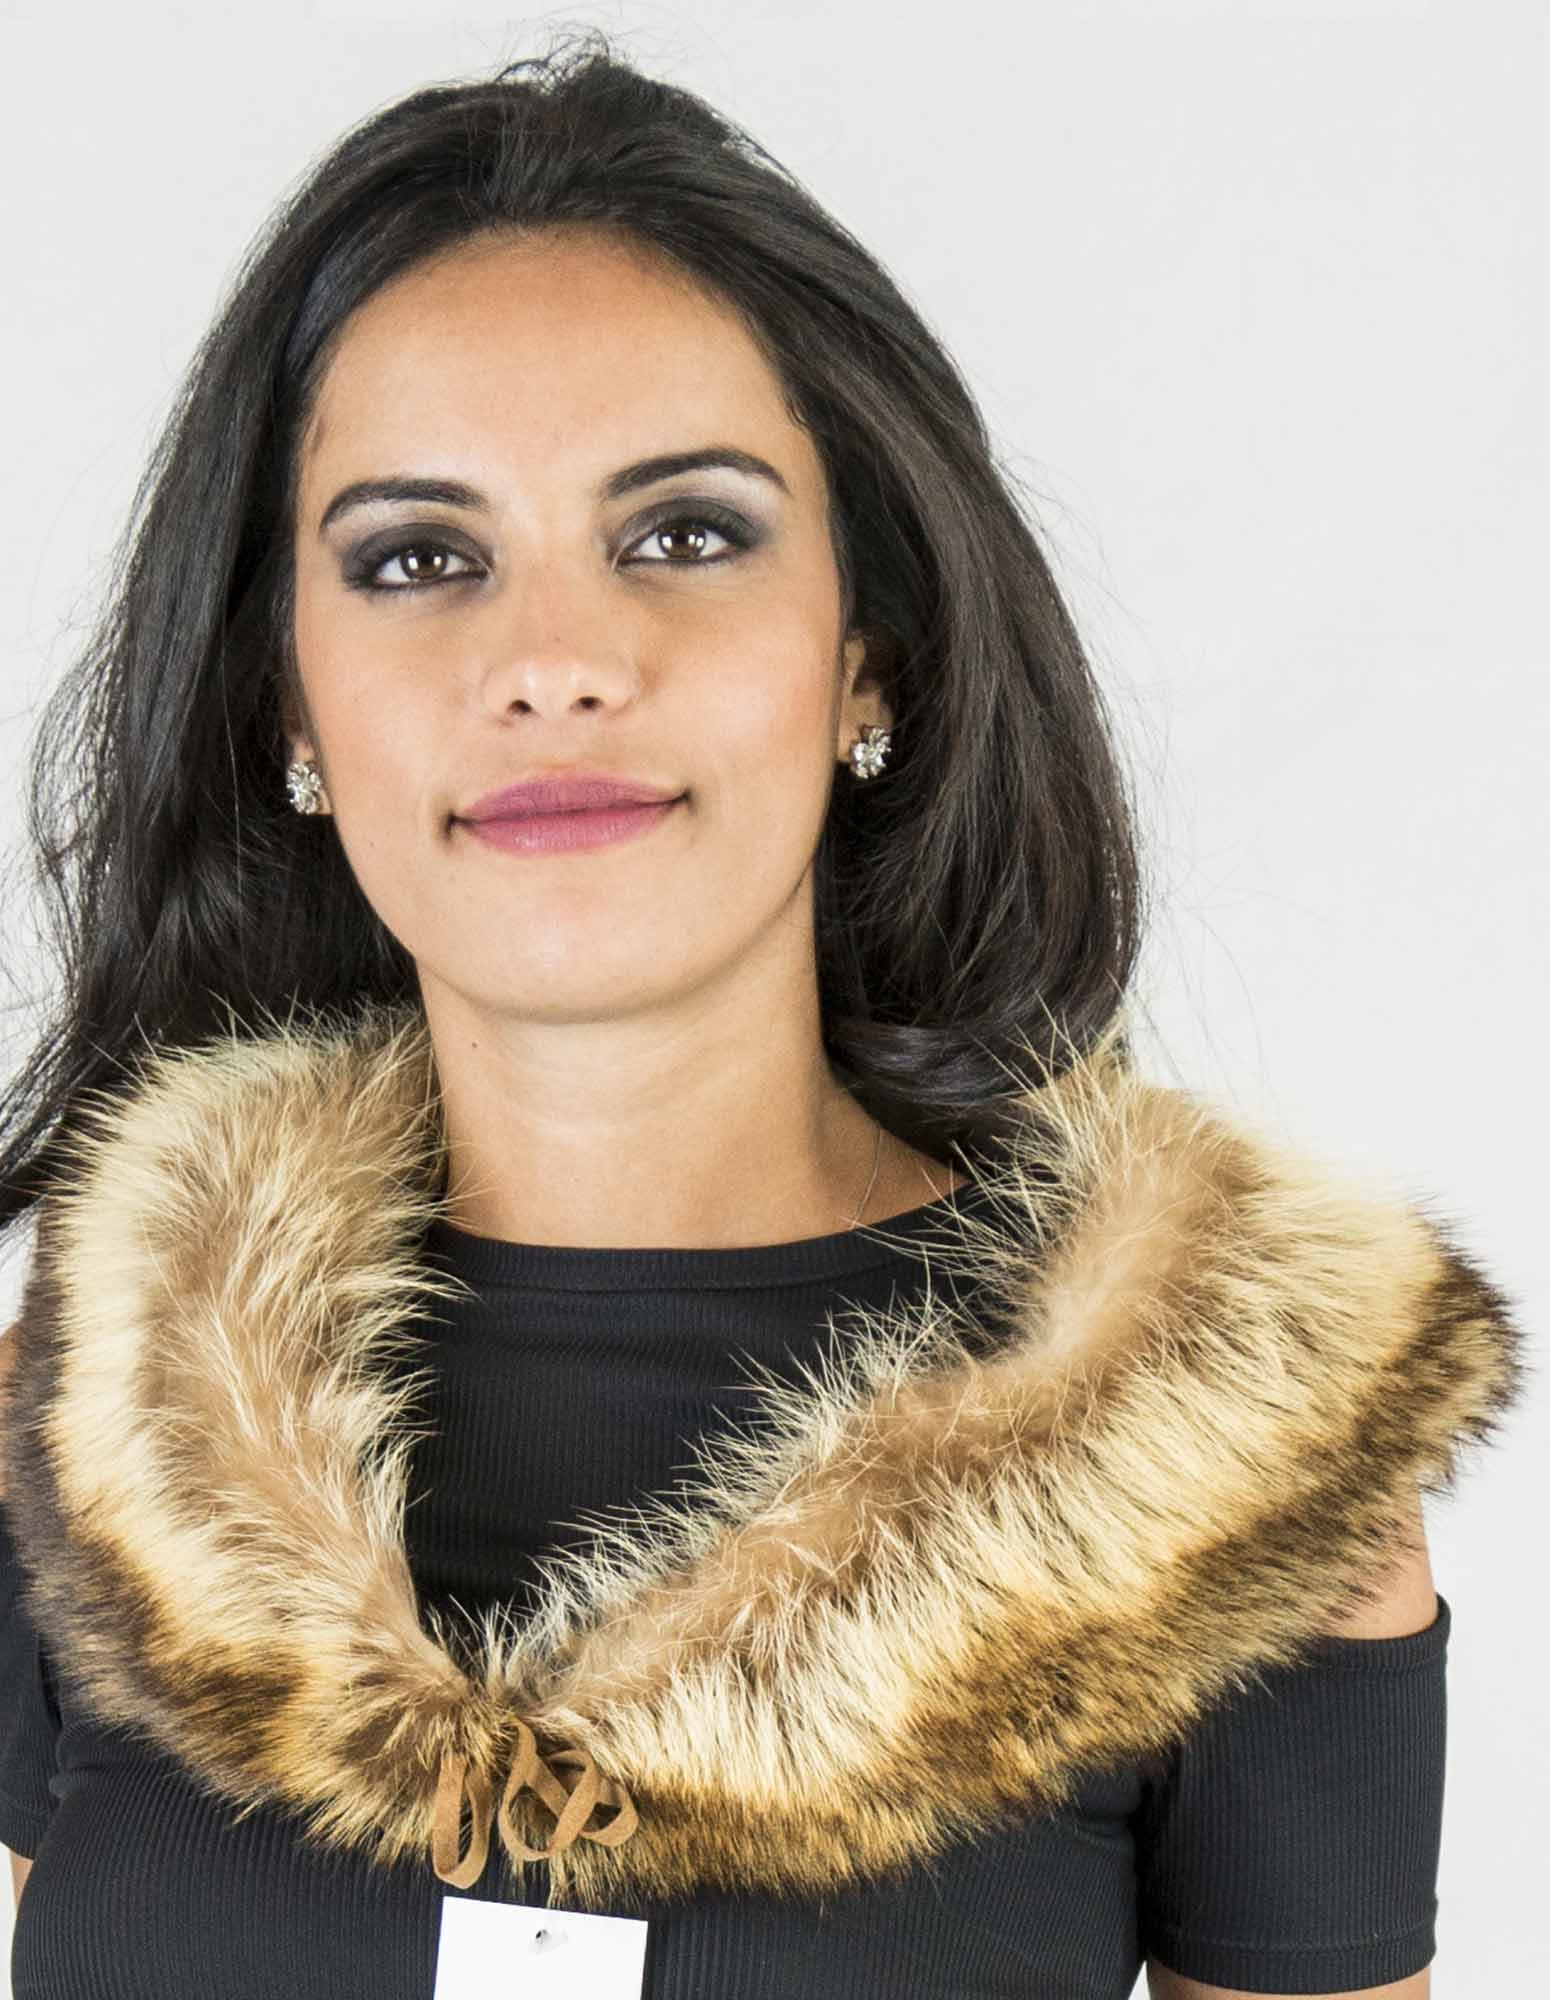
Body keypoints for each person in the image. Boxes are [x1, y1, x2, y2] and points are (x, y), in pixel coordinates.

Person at [0, 31, 1525, 2000]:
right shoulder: (91, 1423)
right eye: (418, 558)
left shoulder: (1231, 1467)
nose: (553, 661)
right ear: (289, 701)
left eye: (684, 534)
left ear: (863, 656)